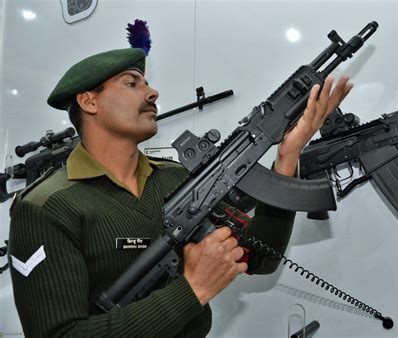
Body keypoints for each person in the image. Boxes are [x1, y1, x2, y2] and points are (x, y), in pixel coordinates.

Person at [8, 47, 352, 337]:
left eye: (147, 82)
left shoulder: (175, 179)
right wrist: (192, 290)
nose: (152, 93)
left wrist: (288, 155)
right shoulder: (45, 206)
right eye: (131, 83)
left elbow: (261, 258)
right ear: (88, 101)